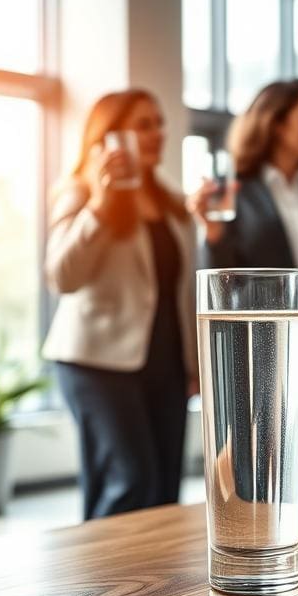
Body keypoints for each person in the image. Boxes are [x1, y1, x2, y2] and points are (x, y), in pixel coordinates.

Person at [190, 79, 298, 479]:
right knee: (262, 474)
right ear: (274, 124)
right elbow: (221, 282)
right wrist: (212, 235)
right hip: (261, 345)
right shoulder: (234, 191)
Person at [43, 89, 198, 519]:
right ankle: (105, 583)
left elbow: (179, 289)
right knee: (129, 480)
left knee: (164, 488)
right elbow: (61, 275)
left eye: (159, 122)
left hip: (164, 361)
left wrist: (193, 363)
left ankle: (155, 584)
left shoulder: (170, 204)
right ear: (109, 138)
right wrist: (102, 204)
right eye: (142, 124)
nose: (157, 133)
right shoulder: (78, 192)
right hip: (97, 363)